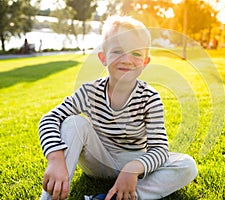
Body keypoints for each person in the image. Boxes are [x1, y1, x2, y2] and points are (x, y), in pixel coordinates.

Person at [39, 15, 198, 200]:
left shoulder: (150, 97)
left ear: (145, 62)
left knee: (187, 165)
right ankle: (51, 197)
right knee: (73, 123)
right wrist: (55, 159)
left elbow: (159, 149)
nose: (127, 59)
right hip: (98, 160)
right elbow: (49, 119)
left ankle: (114, 197)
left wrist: (134, 168)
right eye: (117, 51)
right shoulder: (89, 91)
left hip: (134, 161)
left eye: (136, 53)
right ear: (103, 57)